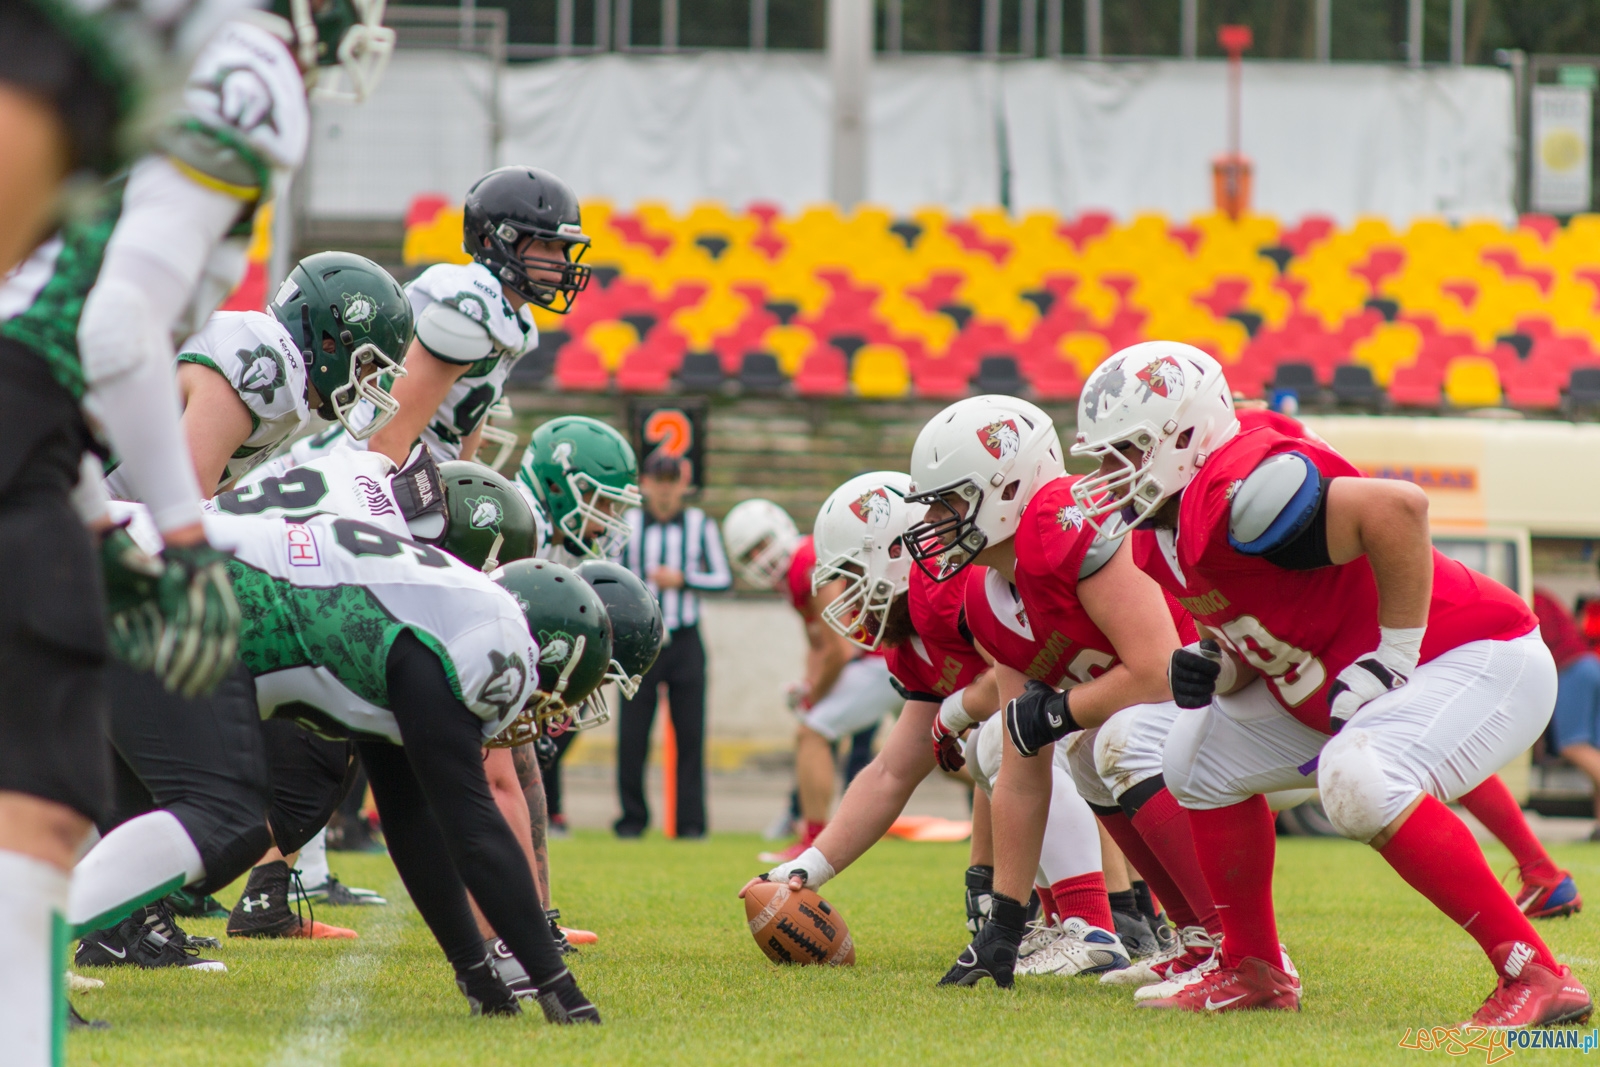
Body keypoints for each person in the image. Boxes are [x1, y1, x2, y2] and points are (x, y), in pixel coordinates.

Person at [1071, 341, 1590, 1024]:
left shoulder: (1244, 490)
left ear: (1186, 436)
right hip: (1347, 675)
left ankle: (1536, 973)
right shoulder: (1157, 535)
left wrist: (1394, 652)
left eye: (1126, 451)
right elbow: (1270, 628)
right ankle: (1253, 965)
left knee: (1359, 776)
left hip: (1475, 652)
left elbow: (1399, 508)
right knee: (1188, 752)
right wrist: (1219, 665)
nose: (1108, 473)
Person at [740, 471, 1000, 936]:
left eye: (852, 575)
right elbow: (891, 772)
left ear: (896, 552)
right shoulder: (906, 649)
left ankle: (1101, 912)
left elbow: (1029, 689)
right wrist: (810, 867)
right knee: (989, 748)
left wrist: (957, 711)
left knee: (1003, 741)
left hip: (1105, 714)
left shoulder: (949, 592)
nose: (848, 596)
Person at [724, 496, 904, 861]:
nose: (760, 558)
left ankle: (814, 841)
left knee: (813, 731)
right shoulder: (795, 573)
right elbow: (818, 645)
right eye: (749, 555)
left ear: (780, 528)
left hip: (882, 658)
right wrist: (809, 687)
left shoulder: (807, 560)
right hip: (883, 657)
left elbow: (840, 651)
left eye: (761, 545)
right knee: (957, 756)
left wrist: (813, 699)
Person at [613, 452, 731, 838]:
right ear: (644, 484)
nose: (665, 490)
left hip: (685, 638)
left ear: (683, 484)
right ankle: (632, 819)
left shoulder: (700, 525)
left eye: (671, 481)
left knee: (690, 736)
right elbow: (608, 574)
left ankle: (691, 824)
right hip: (639, 641)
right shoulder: (627, 525)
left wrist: (685, 579)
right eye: (657, 480)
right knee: (632, 736)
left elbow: (723, 578)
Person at [1537, 588, 1600, 844]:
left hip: (1571, 669)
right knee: (1593, 750)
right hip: (1589, 666)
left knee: (1574, 746)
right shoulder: (1543, 595)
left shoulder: (1529, 598)